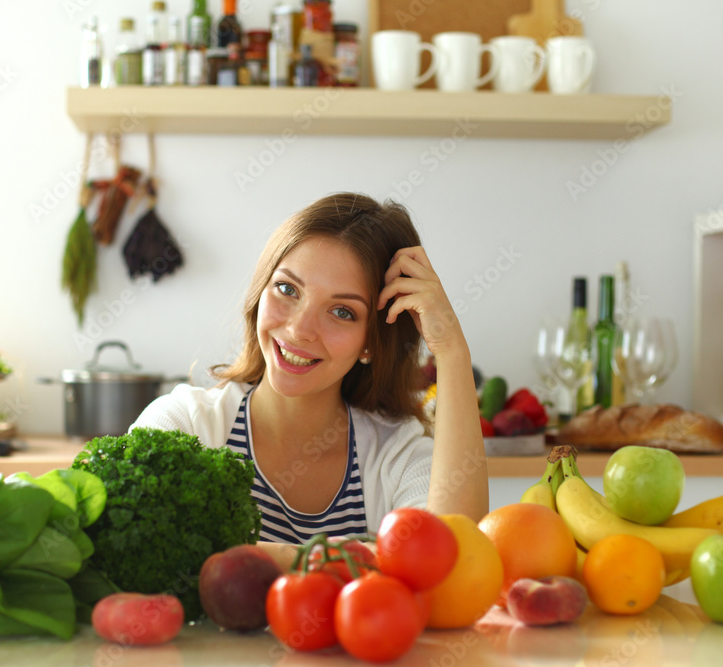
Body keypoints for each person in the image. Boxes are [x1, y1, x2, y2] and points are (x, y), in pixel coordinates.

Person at [131, 192, 487, 563]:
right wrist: (370, 561)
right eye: (287, 289)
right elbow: (142, 545)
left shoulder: (396, 454)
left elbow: (450, 561)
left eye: (341, 312)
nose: (300, 330)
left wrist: (452, 350)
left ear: (371, 343)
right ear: (260, 291)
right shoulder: (186, 423)